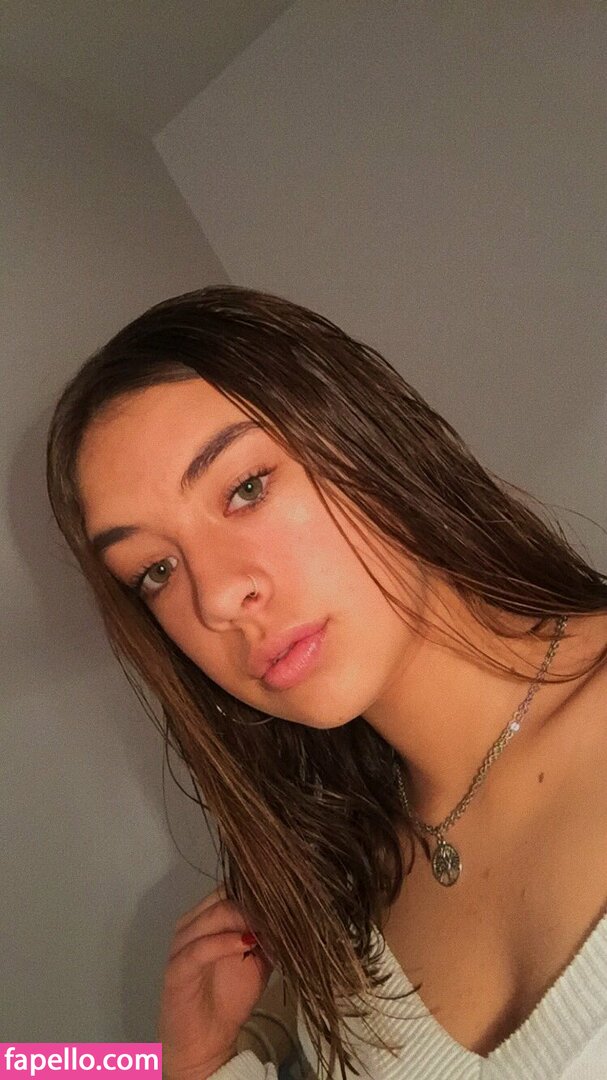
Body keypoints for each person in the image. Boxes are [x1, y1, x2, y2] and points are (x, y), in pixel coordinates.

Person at [46, 286, 607, 1080]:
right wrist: (191, 1067)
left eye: (245, 488)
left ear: (368, 438)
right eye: (156, 571)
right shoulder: (337, 922)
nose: (215, 598)